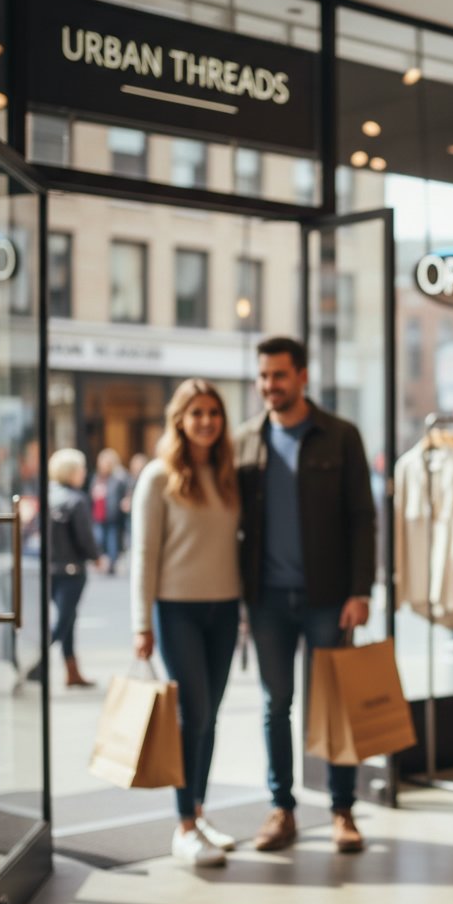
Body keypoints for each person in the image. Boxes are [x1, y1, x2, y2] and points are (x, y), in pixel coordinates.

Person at [235, 336, 376, 854]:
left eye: (279, 375)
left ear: (302, 377)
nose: (270, 386)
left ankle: (343, 810)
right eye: (264, 377)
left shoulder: (340, 436)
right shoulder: (245, 441)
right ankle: (283, 809)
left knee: (334, 704)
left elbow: (363, 518)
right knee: (276, 705)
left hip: (328, 597)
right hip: (267, 600)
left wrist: (361, 590)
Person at [131, 379, 242, 868]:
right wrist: (141, 623)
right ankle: (184, 825)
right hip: (176, 610)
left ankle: (198, 811)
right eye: (195, 413)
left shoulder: (228, 474)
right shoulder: (158, 476)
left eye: (213, 413)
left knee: (209, 716)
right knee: (190, 715)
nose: (206, 421)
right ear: (180, 420)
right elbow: (142, 553)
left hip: (225, 609)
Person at [46, 448, 105, 687]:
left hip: (51, 569)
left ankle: (72, 671)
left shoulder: (49, 495)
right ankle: (35, 663)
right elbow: (85, 537)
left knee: (67, 619)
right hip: (71, 570)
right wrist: (96, 557)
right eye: (81, 468)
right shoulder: (76, 500)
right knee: (64, 621)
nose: (84, 473)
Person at [90, 447, 128, 574]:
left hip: (112, 514)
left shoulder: (118, 478)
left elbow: (124, 494)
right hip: (99, 514)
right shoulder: (96, 477)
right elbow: (91, 493)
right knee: (99, 539)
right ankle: (101, 561)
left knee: (112, 540)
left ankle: (111, 563)